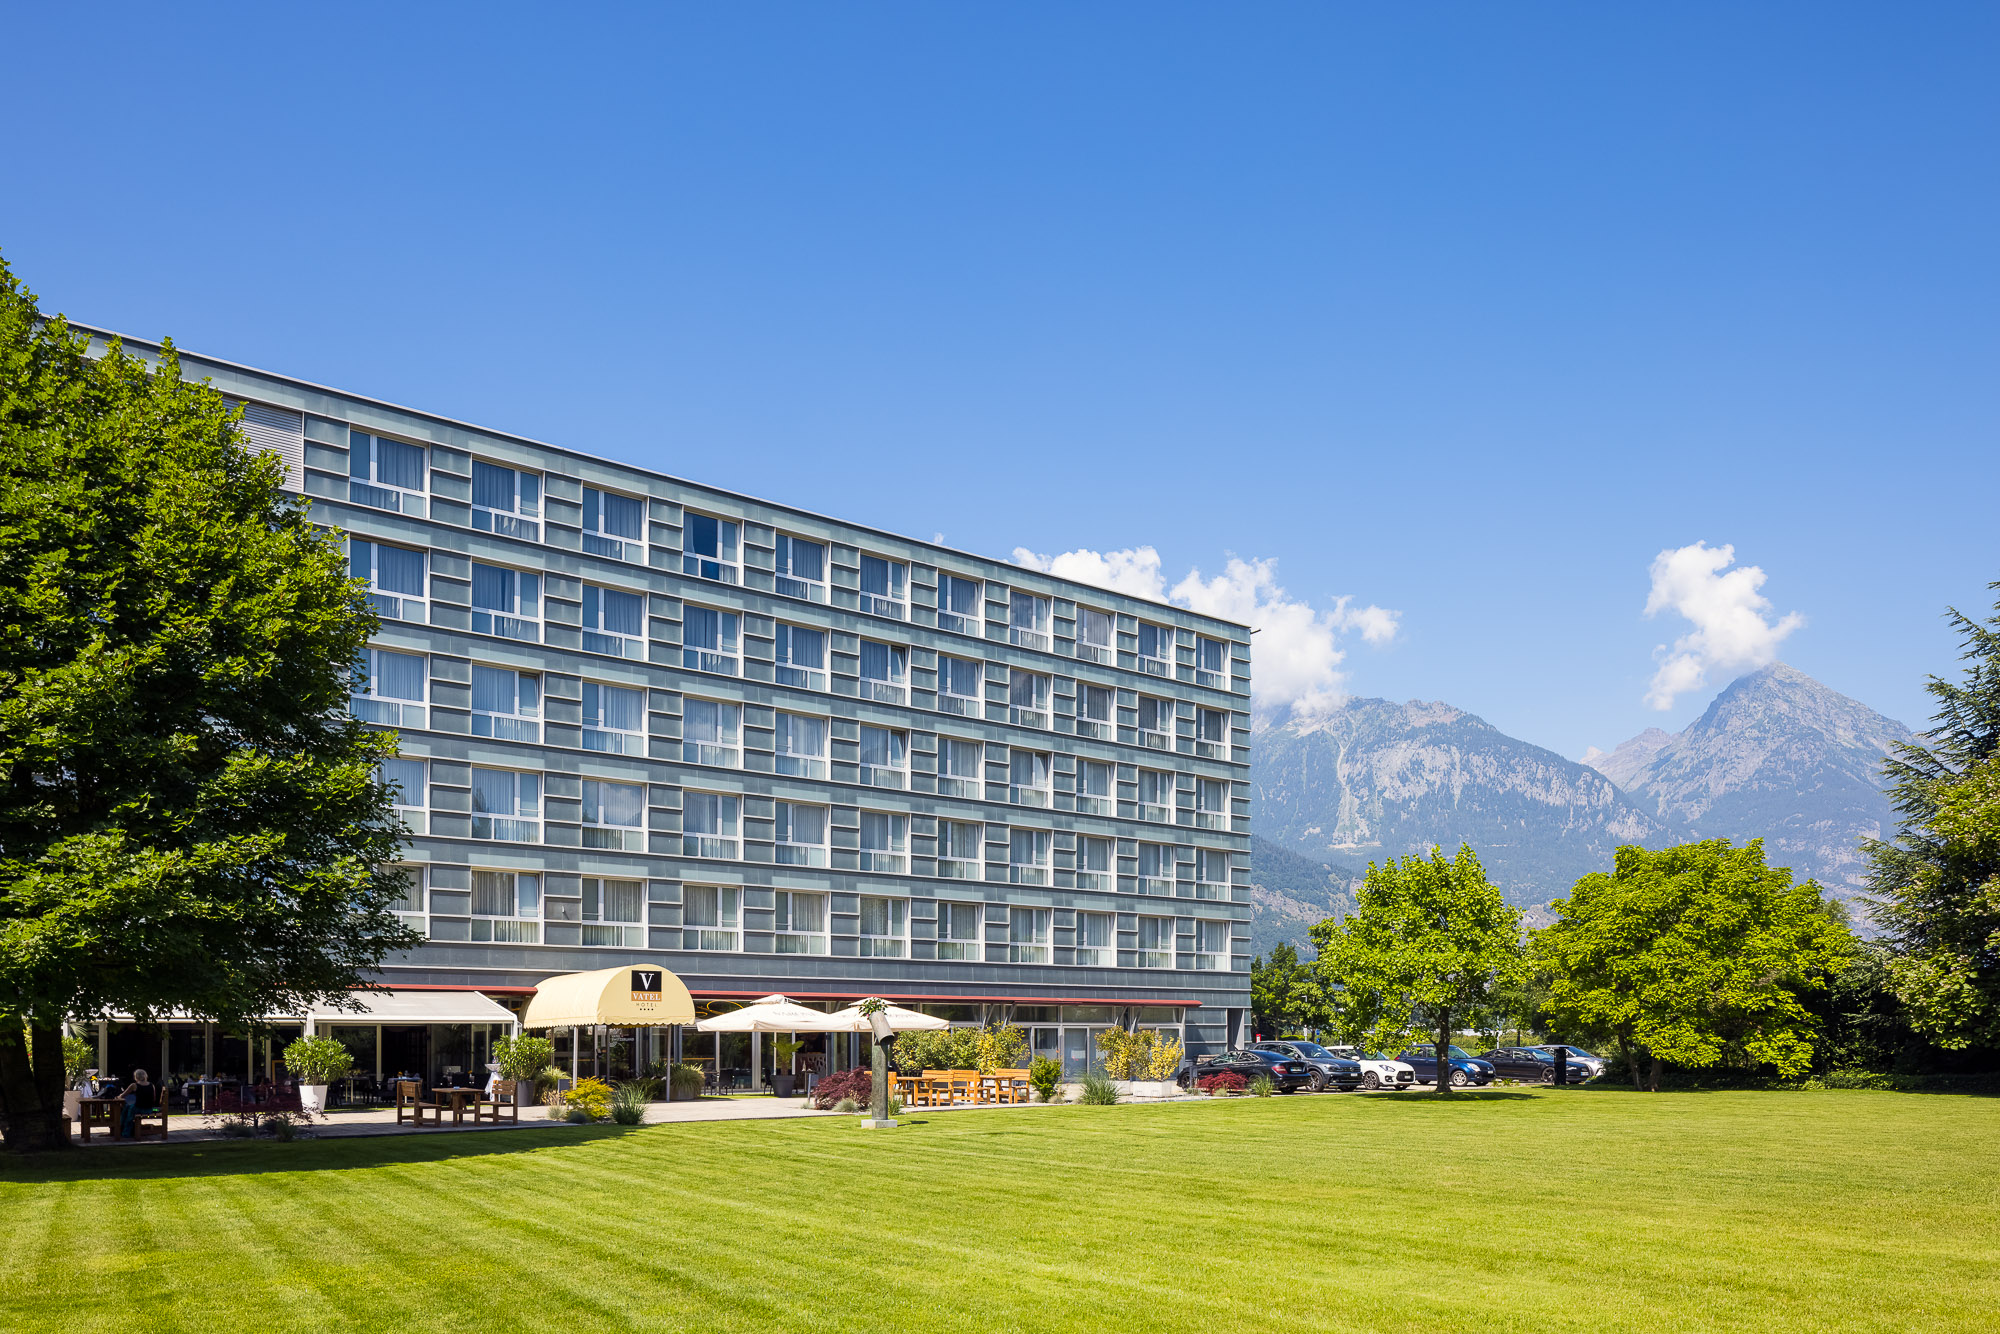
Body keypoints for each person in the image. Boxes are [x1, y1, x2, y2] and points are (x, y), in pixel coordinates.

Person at [119, 1069, 158, 1139]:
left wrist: (118, 1097)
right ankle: (124, 1128)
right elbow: (154, 1099)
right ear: (145, 1076)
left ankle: (125, 1131)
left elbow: (123, 1095)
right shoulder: (152, 1085)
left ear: (136, 1077)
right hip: (149, 1109)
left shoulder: (134, 1085)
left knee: (127, 1109)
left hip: (138, 1108)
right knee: (128, 1107)